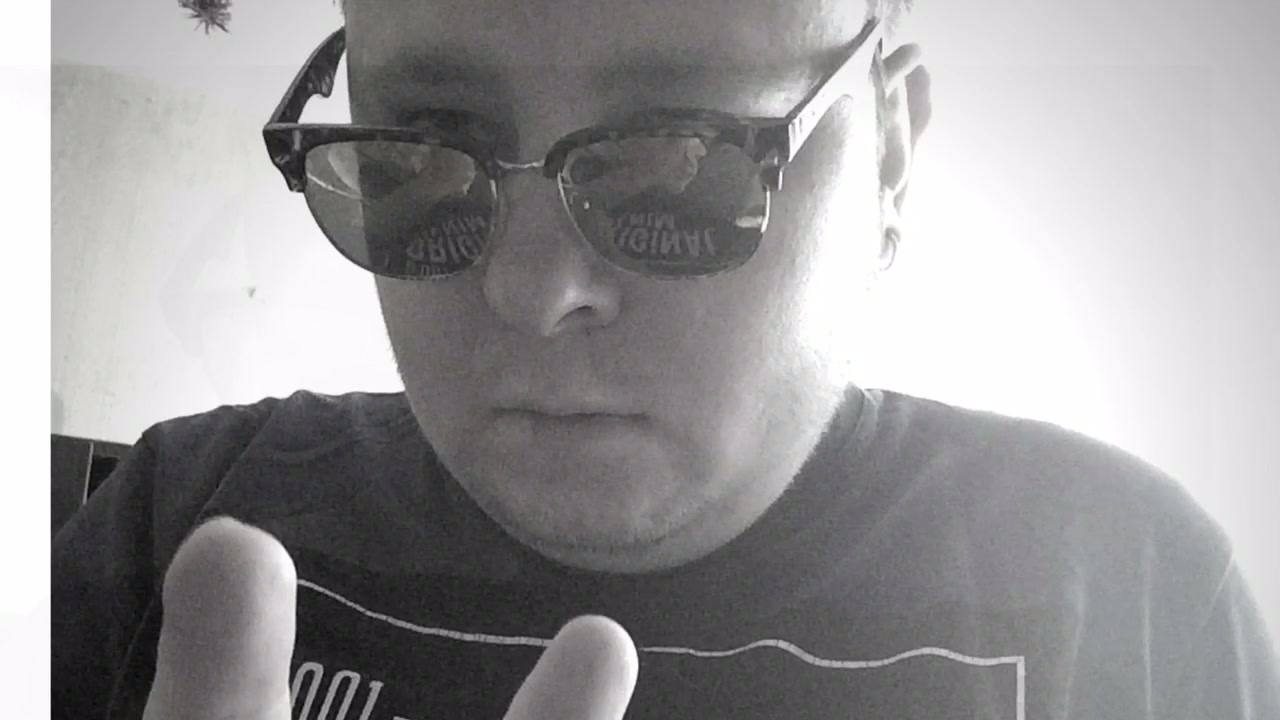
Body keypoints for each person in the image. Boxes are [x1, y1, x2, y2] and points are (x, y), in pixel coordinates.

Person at [52, 0, 1279, 718]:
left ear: (889, 160)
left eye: (678, 164)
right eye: (418, 153)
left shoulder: (1125, 599)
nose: (532, 292)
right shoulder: (178, 521)